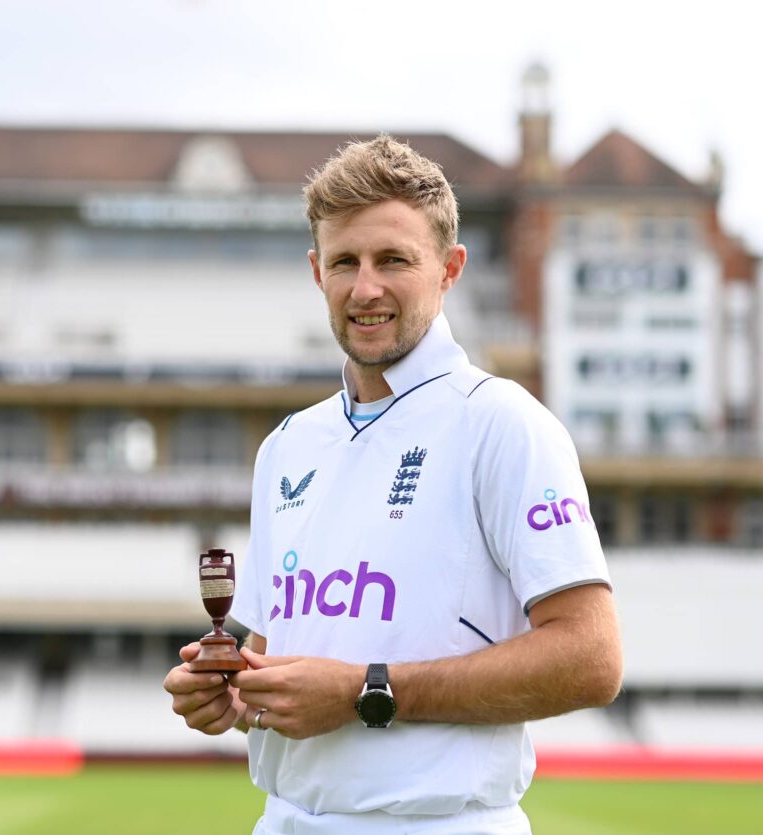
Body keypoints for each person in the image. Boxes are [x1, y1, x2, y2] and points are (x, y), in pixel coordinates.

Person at [164, 135, 622, 834]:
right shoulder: (286, 445)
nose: (365, 286)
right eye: (344, 261)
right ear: (317, 272)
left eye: (394, 259)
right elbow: (271, 656)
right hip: (283, 818)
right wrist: (229, 690)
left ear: (450, 269)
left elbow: (592, 658)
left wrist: (364, 692)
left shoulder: (502, 423)